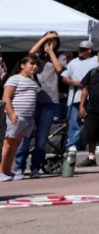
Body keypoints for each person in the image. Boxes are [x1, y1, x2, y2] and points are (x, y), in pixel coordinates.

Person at [14, 31, 65, 179]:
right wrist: (44, 40)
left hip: (50, 100)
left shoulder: (60, 56)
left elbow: (59, 69)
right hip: (33, 99)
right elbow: (30, 53)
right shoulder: (37, 57)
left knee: (42, 138)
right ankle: (19, 167)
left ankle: (36, 167)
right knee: (25, 136)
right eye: (50, 40)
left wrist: (51, 52)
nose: (52, 42)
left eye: (55, 40)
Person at [1, 56, 40, 181]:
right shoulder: (14, 79)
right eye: (32, 64)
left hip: (27, 118)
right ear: (23, 65)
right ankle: (1, 171)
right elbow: (6, 97)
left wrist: (32, 114)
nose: (35, 66)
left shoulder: (33, 81)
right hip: (16, 116)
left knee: (16, 144)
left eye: (36, 64)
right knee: (8, 143)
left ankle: (7, 171)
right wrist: (11, 114)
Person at [61, 39, 98, 153]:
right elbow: (64, 78)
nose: (80, 51)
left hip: (93, 96)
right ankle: (72, 143)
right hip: (75, 96)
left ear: (89, 50)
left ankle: (92, 144)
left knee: (92, 122)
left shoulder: (97, 60)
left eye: (83, 49)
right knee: (74, 121)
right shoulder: (73, 62)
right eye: (80, 49)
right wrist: (76, 83)